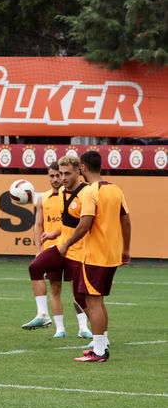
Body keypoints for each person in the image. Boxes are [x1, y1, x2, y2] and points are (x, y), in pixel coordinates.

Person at [61, 150, 131, 363]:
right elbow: (126, 220)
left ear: (82, 167)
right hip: (111, 254)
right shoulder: (115, 189)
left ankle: (99, 351)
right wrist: (126, 249)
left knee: (92, 302)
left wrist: (65, 245)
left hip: (94, 255)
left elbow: (84, 225)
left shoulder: (90, 191)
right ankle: (102, 344)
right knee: (97, 301)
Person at [21, 163, 91, 338]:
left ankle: (84, 328)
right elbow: (38, 225)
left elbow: (75, 223)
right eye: (52, 175)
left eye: (59, 175)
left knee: (78, 290)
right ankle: (56, 325)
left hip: (75, 247)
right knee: (53, 286)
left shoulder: (78, 193)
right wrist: (40, 248)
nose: (57, 179)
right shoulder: (44, 198)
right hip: (56, 246)